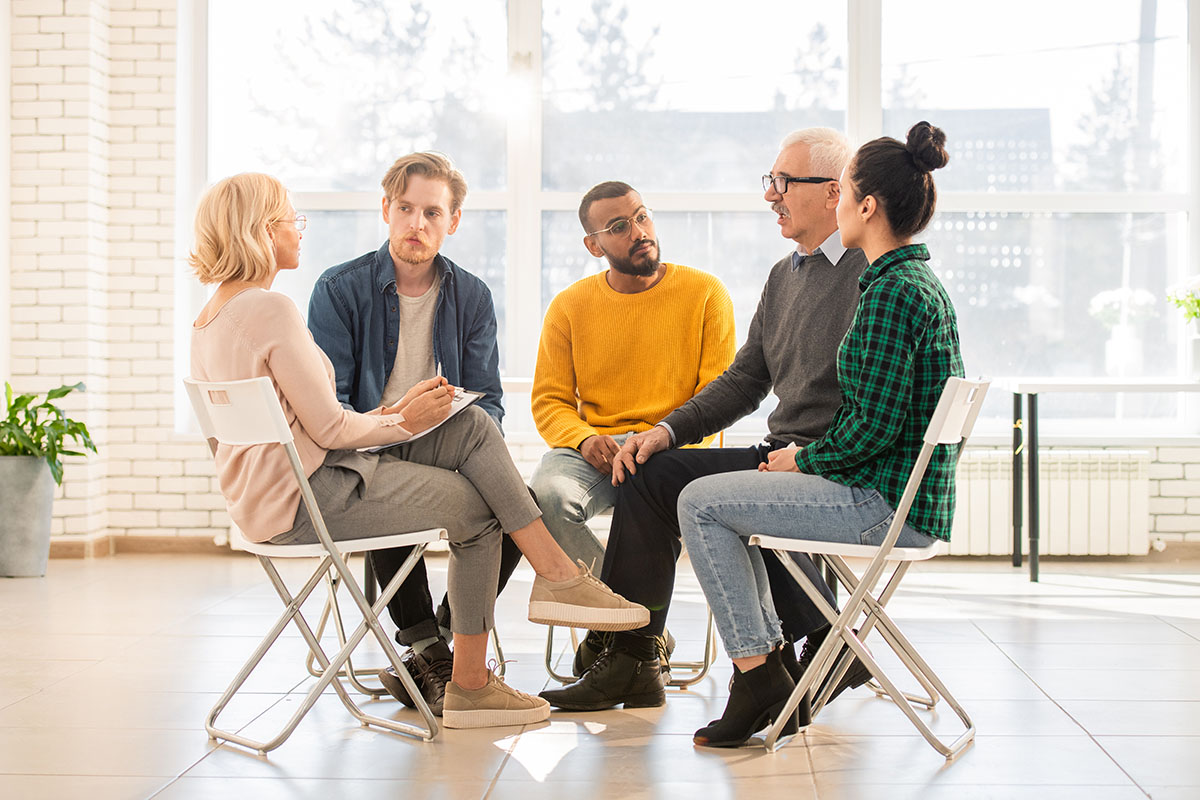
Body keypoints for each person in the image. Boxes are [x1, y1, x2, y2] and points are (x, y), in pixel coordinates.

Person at [188, 172, 649, 731]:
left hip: (274, 497)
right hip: (310, 497)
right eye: (291, 219)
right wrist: (403, 420)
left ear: (450, 221)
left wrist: (403, 418)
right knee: (483, 513)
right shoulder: (271, 309)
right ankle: (474, 685)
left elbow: (267, 434)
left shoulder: (209, 319)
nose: (298, 230)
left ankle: (554, 576)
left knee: (474, 424)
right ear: (261, 230)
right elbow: (331, 427)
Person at [540, 128, 870, 713]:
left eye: (783, 182)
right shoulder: (785, 273)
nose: (771, 195)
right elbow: (745, 381)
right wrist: (663, 434)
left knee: (705, 492)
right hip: (782, 453)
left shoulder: (872, 276)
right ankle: (635, 660)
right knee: (650, 471)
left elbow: (879, 407)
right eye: (771, 181)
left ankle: (819, 643)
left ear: (832, 192)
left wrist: (811, 457)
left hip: (826, 464)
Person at [678, 121, 962, 747]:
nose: (833, 205)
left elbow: (872, 427)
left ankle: (758, 673)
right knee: (722, 501)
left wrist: (802, 462)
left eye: (843, 194)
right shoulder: (910, 284)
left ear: (866, 206)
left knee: (700, 503)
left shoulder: (892, 292)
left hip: (882, 505)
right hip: (897, 499)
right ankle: (771, 666)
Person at [307, 152, 522, 714]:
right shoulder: (339, 290)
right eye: (405, 208)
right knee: (388, 476)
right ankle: (430, 647)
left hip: (447, 448)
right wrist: (391, 425)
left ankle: (438, 640)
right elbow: (330, 407)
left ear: (453, 221)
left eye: (432, 212)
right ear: (386, 210)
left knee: (517, 503)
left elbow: (488, 400)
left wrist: (461, 451)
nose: (416, 224)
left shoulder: (472, 297)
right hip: (363, 444)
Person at [529, 181, 735, 579]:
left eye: (642, 216)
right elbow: (549, 402)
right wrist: (584, 439)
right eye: (620, 226)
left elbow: (718, 396)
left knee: (653, 504)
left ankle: (628, 629)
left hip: (676, 444)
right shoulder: (568, 306)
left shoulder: (707, 293)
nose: (639, 232)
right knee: (545, 498)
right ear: (593, 245)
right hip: (597, 449)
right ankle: (631, 618)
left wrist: (664, 436)